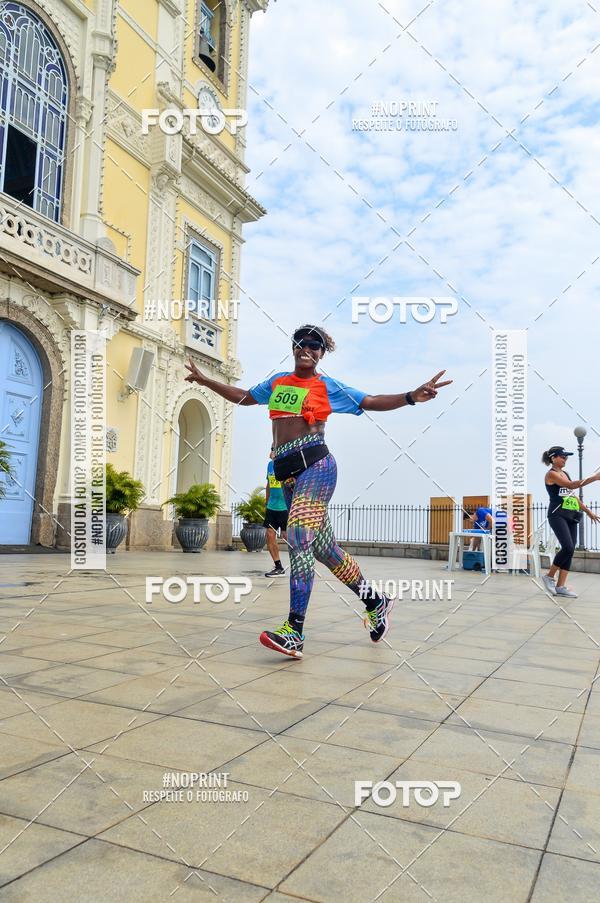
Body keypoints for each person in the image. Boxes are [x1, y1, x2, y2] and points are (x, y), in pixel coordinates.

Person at [185, 324, 451, 659]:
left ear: (322, 353)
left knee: (298, 537)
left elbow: (370, 400)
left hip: (317, 467)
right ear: (293, 347)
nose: (306, 348)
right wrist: (206, 381)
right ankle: (375, 601)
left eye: (314, 345)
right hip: (289, 477)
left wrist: (411, 396)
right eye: (301, 343)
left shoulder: (327, 386)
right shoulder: (277, 383)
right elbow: (244, 397)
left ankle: (294, 631)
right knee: (326, 551)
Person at [542, 445, 600, 598]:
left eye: (566, 457)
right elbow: (571, 485)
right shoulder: (551, 474)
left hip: (570, 515)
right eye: (562, 456)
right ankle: (549, 576)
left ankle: (561, 586)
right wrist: (594, 478)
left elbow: (572, 495)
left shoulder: (565, 473)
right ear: (553, 458)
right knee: (567, 547)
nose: (565, 459)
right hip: (557, 515)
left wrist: (588, 511)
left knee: (570, 550)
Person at [264, 445, 288, 577]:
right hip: (272, 507)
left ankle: (302, 564)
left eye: (274, 449)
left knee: (287, 537)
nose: (271, 452)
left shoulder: (287, 465)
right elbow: (268, 484)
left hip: (285, 507)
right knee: (269, 535)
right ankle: (278, 567)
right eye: (271, 449)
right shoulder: (269, 465)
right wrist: (266, 502)